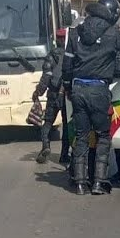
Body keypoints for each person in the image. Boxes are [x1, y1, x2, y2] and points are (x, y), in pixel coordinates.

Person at [61, 0, 120, 195]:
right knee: (103, 136)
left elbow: (67, 65)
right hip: (99, 90)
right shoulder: (112, 33)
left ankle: (80, 183)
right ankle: (99, 182)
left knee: (81, 136)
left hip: (78, 88)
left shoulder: (75, 33)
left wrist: (68, 87)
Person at [32, 28, 69, 165]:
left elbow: (46, 77)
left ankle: (46, 147)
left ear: (57, 40)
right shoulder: (72, 56)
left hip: (53, 94)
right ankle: (64, 155)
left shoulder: (51, 56)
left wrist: (38, 92)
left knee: (47, 123)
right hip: (66, 95)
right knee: (66, 126)